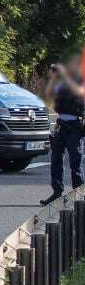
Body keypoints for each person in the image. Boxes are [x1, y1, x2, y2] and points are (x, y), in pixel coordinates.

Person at [41, 55, 85, 205]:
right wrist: (53, 77)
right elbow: (49, 94)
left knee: (75, 161)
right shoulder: (63, 84)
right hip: (61, 125)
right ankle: (57, 192)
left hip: (74, 126)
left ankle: (78, 193)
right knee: (56, 159)